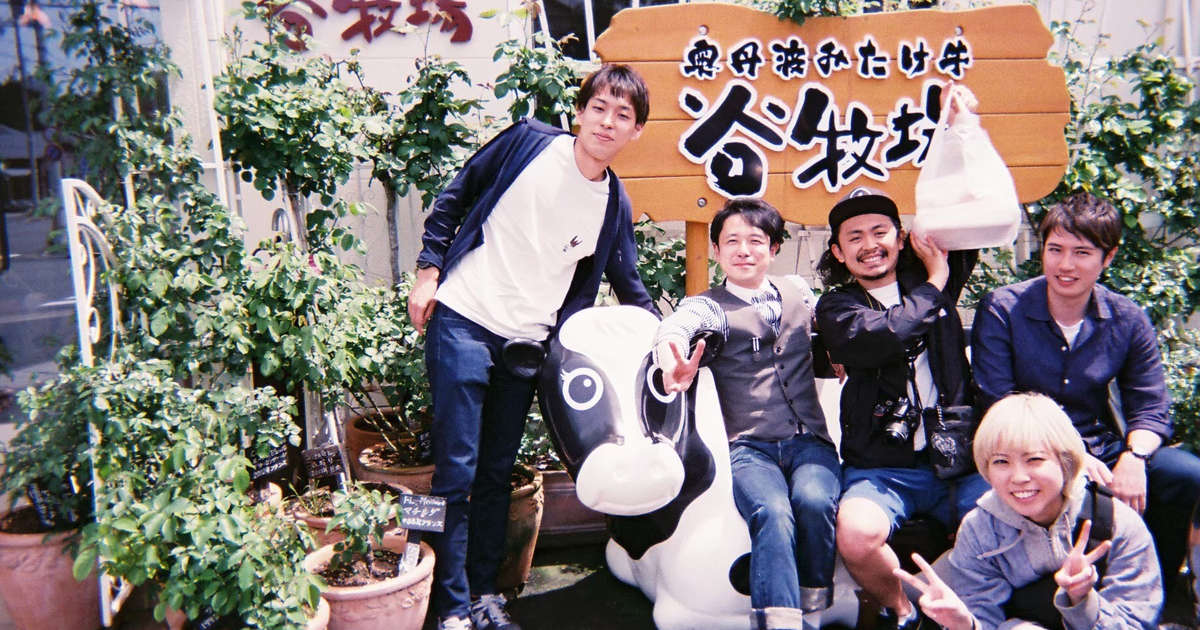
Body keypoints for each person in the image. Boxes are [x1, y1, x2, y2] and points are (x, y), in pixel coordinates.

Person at [407, 65, 658, 630]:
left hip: (525, 349)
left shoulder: (612, 203)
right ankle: (450, 608)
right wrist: (428, 271)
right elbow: (456, 195)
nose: (607, 122)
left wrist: (670, 340)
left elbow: (629, 284)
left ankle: (483, 595)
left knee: (497, 472)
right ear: (580, 111)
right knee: (457, 470)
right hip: (464, 321)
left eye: (622, 115)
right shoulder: (528, 144)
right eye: (599, 108)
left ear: (636, 131)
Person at [971, 191, 1200, 591]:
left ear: (1107, 257)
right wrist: (1073, 455)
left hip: (1100, 447)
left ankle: (1148, 587)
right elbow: (1000, 402)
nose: (1065, 265)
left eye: (1082, 253)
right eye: (1055, 249)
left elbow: (1150, 407)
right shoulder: (1003, 309)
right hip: (1025, 450)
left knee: (1184, 475)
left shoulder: (1127, 318)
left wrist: (1135, 457)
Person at [654, 198, 841, 630]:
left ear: (773, 249)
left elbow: (834, 327)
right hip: (749, 446)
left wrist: (842, 352)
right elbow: (674, 329)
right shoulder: (710, 307)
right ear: (716, 251)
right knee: (772, 511)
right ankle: (779, 623)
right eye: (732, 241)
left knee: (814, 500)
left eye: (756, 240)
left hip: (810, 439)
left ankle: (813, 607)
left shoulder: (799, 291)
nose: (744, 251)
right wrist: (671, 361)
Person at [814, 185, 988, 630]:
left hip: (959, 463)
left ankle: (976, 614)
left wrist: (959, 129)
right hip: (881, 468)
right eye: (854, 237)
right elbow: (885, 335)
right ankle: (904, 611)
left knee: (1012, 518)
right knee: (856, 535)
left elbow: (974, 204)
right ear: (838, 252)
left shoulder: (932, 278)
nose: (869, 245)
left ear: (900, 237)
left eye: (880, 232)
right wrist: (936, 282)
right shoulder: (837, 306)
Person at [894, 393, 1163, 630]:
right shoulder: (979, 529)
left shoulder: (1118, 523)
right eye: (1001, 462)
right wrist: (966, 624)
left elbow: (1137, 621)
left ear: (1066, 461)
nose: (1019, 477)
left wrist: (1083, 600)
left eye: (1034, 459)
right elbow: (984, 618)